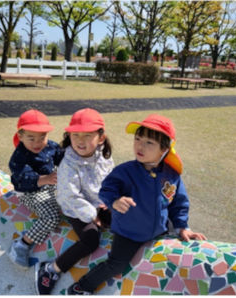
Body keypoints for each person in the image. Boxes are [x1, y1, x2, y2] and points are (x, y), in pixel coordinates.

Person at [66, 113, 207, 295]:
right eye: (138, 139)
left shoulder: (171, 175)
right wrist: (115, 201)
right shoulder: (125, 171)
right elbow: (106, 190)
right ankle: (82, 286)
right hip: (128, 233)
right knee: (117, 264)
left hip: (160, 230)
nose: (140, 145)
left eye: (149, 143)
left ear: (164, 149)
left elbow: (178, 203)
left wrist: (182, 227)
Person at [35, 108, 114, 295]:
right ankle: (51, 269)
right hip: (76, 208)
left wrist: (111, 201)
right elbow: (68, 196)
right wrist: (92, 214)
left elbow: (112, 181)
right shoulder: (68, 164)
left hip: (100, 203)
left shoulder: (104, 156)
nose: (80, 140)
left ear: (101, 138)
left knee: (125, 216)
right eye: (75, 135)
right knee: (90, 239)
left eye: (87, 135)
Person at [8, 109, 64, 269]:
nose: (37, 143)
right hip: (29, 191)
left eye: (42, 137)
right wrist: (43, 179)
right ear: (20, 136)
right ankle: (22, 245)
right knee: (51, 217)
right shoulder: (19, 156)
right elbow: (22, 177)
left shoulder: (51, 146)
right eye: (31, 138)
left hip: (49, 186)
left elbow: (63, 158)